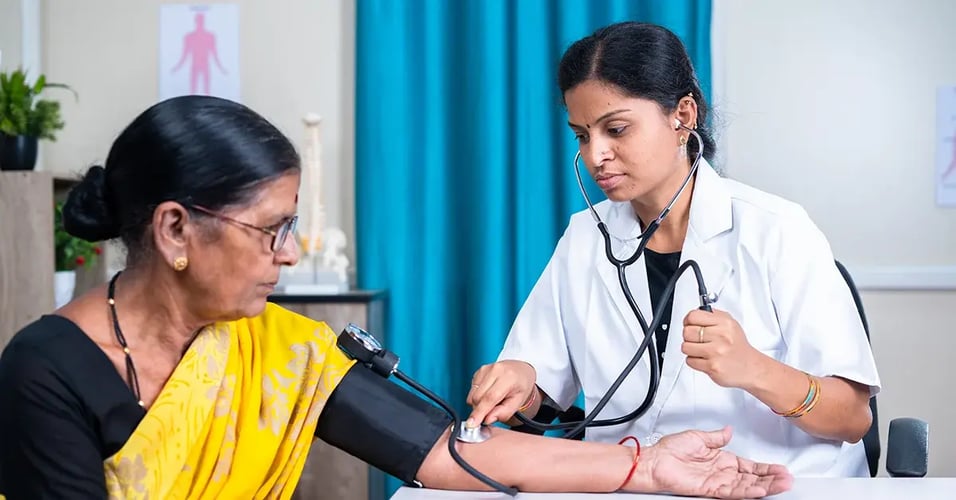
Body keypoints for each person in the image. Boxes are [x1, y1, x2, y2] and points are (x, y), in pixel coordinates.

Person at [0, 95, 792, 499]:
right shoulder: (46, 371)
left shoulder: (282, 349)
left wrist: (645, 469)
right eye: (270, 230)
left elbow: (447, 451)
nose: (291, 252)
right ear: (175, 229)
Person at [467, 21, 881, 477]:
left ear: (683, 116)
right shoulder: (585, 238)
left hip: (774, 483)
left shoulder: (778, 231)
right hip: (635, 483)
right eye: (583, 135)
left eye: (616, 129)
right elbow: (539, 393)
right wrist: (520, 385)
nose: (595, 155)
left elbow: (852, 417)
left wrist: (755, 370)